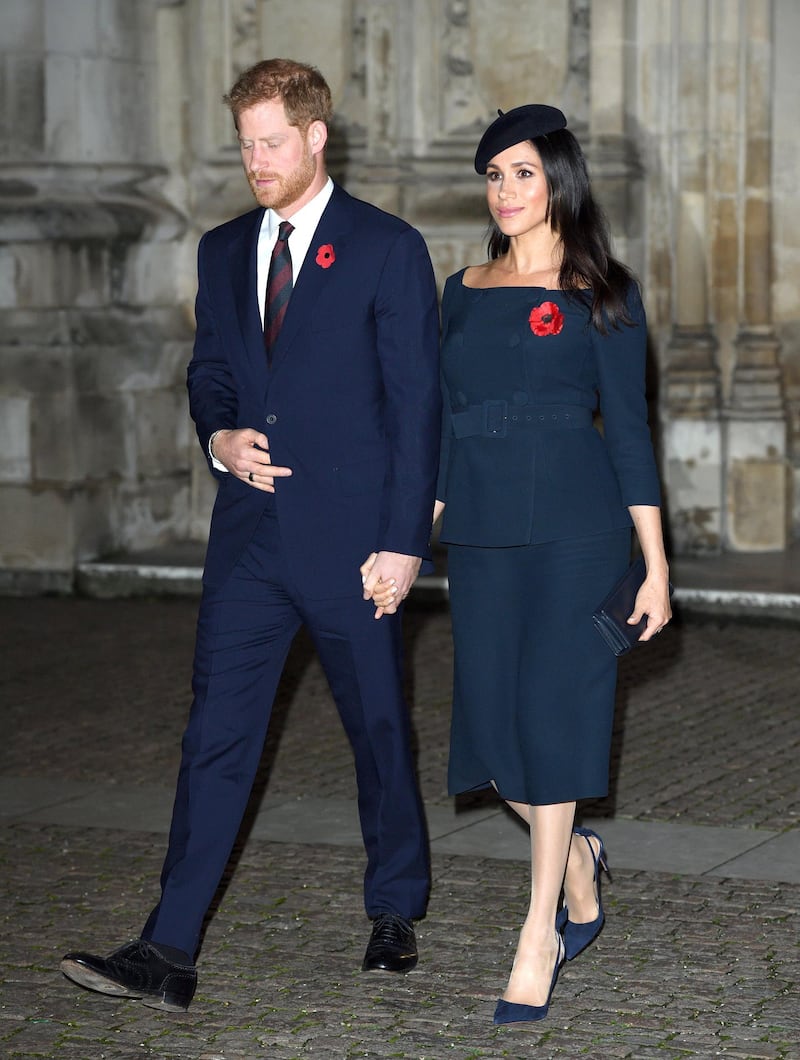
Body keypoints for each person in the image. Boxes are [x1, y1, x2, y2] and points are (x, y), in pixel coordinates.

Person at [60, 58, 441, 1011]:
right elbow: (211, 376)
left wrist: (403, 542)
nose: (256, 160)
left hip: (357, 544)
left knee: (379, 732)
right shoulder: (223, 248)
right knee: (214, 738)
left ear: (317, 136)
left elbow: (418, 406)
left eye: (272, 142)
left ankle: (395, 904)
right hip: (250, 543)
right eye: (244, 143)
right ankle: (168, 948)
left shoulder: (386, 247)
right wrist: (221, 438)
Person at [376, 104, 672, 1026]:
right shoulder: (459, 288)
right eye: (494, 175)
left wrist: (656, 567)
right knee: (494, 742)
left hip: (581, 534)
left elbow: (629, 436)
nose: (505, 192)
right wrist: (406, 536)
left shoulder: (604, 293)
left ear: (559, 182)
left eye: (523, 174)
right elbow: (436, 431)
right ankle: (579, 863)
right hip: (484, 534)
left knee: (552, 718)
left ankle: (538, 930)